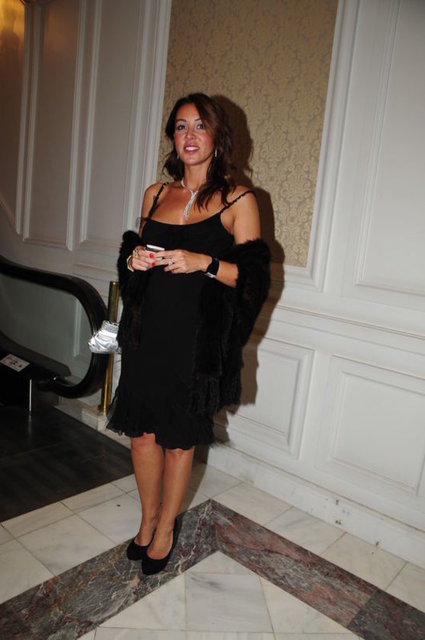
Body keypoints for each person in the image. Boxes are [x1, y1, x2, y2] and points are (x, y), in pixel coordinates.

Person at [108, 93, 270, 575]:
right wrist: (133, 260)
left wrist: (205, 262)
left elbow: (253, 280)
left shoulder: (239, 200)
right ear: (172, 138)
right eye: (181, 127)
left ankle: (165, 528)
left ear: (218, 135)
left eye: (200, 125)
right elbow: (133, 269)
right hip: (146, 336)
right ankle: (147, 519)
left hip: (194, 343)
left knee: (179, 441)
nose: (190, 135)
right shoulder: (155, 194)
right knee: (142, 436)